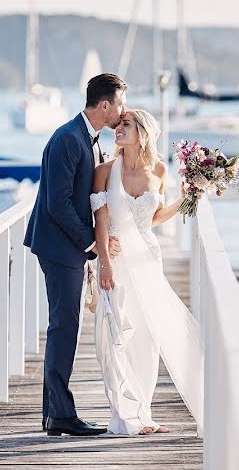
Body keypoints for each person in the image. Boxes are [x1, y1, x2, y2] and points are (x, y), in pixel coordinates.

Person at [89, 109, 204, 435]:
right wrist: (105, 263)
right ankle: (123, 414)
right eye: (118, 124)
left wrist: (188, 199)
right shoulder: (105, 171)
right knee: (117, 334)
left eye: (125, 124)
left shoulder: (160, 170)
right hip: (117, 259)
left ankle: (144, 412)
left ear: (143, 131)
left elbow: (153, 217)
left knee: (147, 337)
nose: (118, 129)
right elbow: (100, 219)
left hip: (149, 259)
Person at [24, 73, 126, 436]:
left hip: (68, 245)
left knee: (65, 327)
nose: (121, 111)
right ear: (104, 105)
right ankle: (61, 416)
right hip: (58, 246)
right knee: (63, 327)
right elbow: (58, 204)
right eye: (119, 104)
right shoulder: (68, 139)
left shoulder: (89, 139)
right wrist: (93, 243)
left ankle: (54, 415)